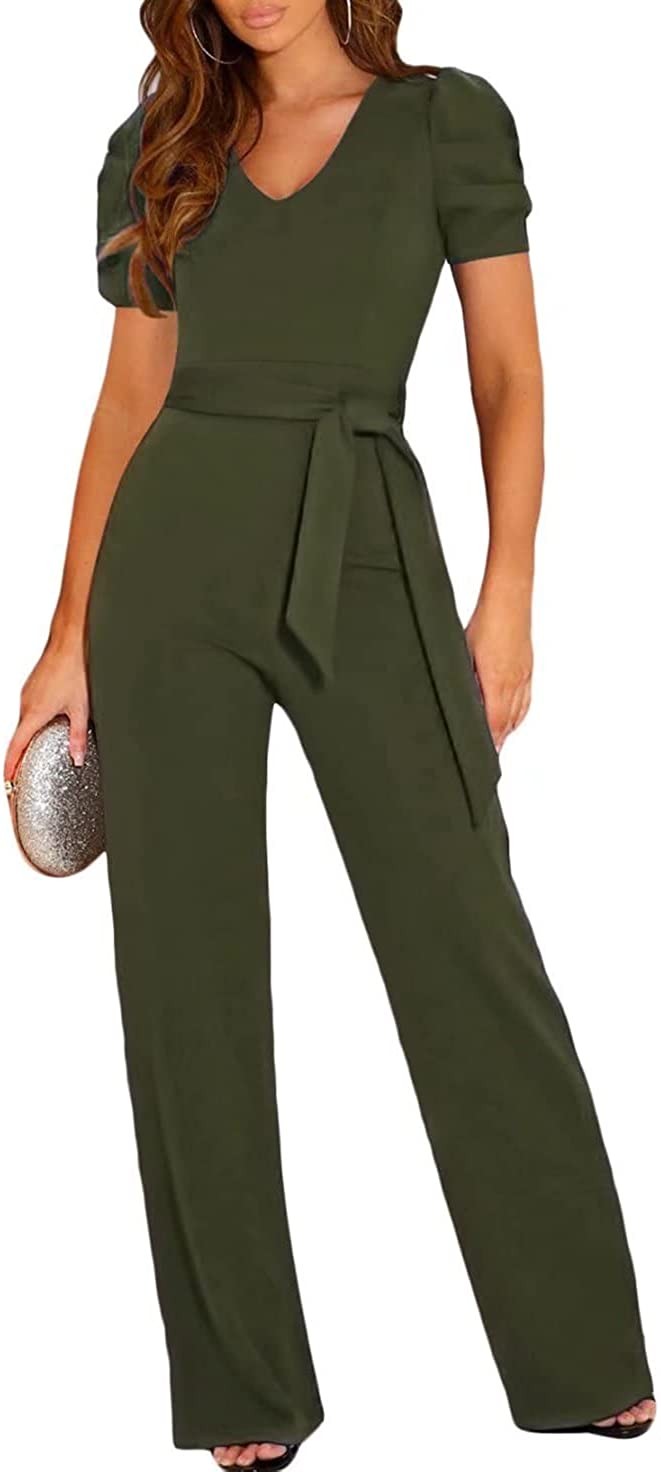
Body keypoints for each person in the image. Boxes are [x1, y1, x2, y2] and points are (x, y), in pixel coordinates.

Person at [4, 2, 655, 1467]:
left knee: (463, 935)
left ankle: (581, 1354)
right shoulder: (160, 141)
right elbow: (129, 394)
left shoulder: (446, 121)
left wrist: (506, 593)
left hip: (364, 539)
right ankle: (244, 1388)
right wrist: (65, 637)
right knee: (184, 972)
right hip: (170, 559)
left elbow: (507, 372)